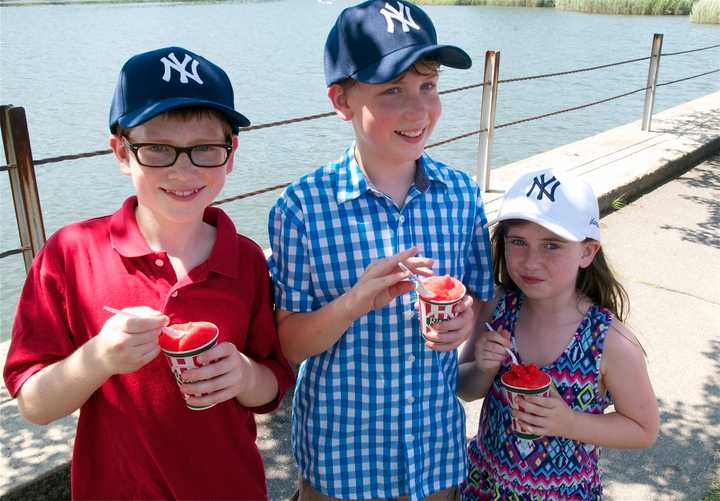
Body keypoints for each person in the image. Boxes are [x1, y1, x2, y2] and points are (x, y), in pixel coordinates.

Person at [3, 46, 294, 500]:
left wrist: (242, 375)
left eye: (205, 148)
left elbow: (272, 384)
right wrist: (98, 358)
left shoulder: (246, 259)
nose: (183, 169)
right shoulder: (70, 253)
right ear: (122, 152)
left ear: (231, 152)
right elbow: (34, 405)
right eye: (157, 148)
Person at [267, 1, 494, 500]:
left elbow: (481, 295)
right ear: (341, 100)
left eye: (427, 86)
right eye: (392, 90)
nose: (417, 110)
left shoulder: (460, 194)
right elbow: (289, 345)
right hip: (340, 460)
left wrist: (465, 327)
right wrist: (354, 302)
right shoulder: (302, 207)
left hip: (436, 453)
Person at [457, 167, 660, 500]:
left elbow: (643, 429)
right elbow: (467, 389)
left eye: (552, 245)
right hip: (484, 488)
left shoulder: (609, 342)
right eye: (518, 241)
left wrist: (567, 423)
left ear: (587, 251)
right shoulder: (496, 308)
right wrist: (483, 368)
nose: (530, 261)